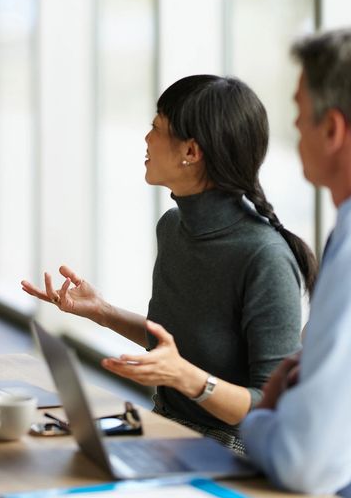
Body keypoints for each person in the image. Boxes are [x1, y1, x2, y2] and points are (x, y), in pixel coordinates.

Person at [87, 26, 351, 498]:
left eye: (300, 114)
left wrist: (270, 416)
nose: (290, 131)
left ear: (333, 129)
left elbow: (306, 459)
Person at [23, 75, 317, 450]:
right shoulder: (173, 227)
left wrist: (187, 379)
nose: (146, 139)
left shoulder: (265, 258)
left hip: (234, 455)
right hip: (166, 431)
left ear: (191, 152)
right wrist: (100, 311)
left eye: (156, 127)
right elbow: (171, 343)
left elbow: (271, 408)